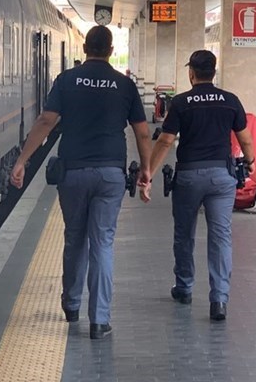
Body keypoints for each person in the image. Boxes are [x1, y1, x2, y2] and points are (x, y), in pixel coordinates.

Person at [10, 26, 152, 339]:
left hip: (72, 171)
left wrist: (22, 160)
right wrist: (146, 170)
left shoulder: (67, 80)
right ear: (111, 51)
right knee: (102, 242)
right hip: (111, 173)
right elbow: (142, 132)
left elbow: (46, 121)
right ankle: (99, 320)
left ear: (85, 48)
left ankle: (72, 305)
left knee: (75, 237)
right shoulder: (124, 85)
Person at [140, 50, 254, 321]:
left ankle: (184, 287)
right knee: (221, 236)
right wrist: (250, 163)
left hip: (189, 176)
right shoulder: (230, 100)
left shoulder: (182, 102)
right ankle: (219, 300)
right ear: (214, 72)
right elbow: (246, 139)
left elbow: (165, 141)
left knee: (184, 233)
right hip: (221, 177)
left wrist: (148, 174)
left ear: (191, 73)